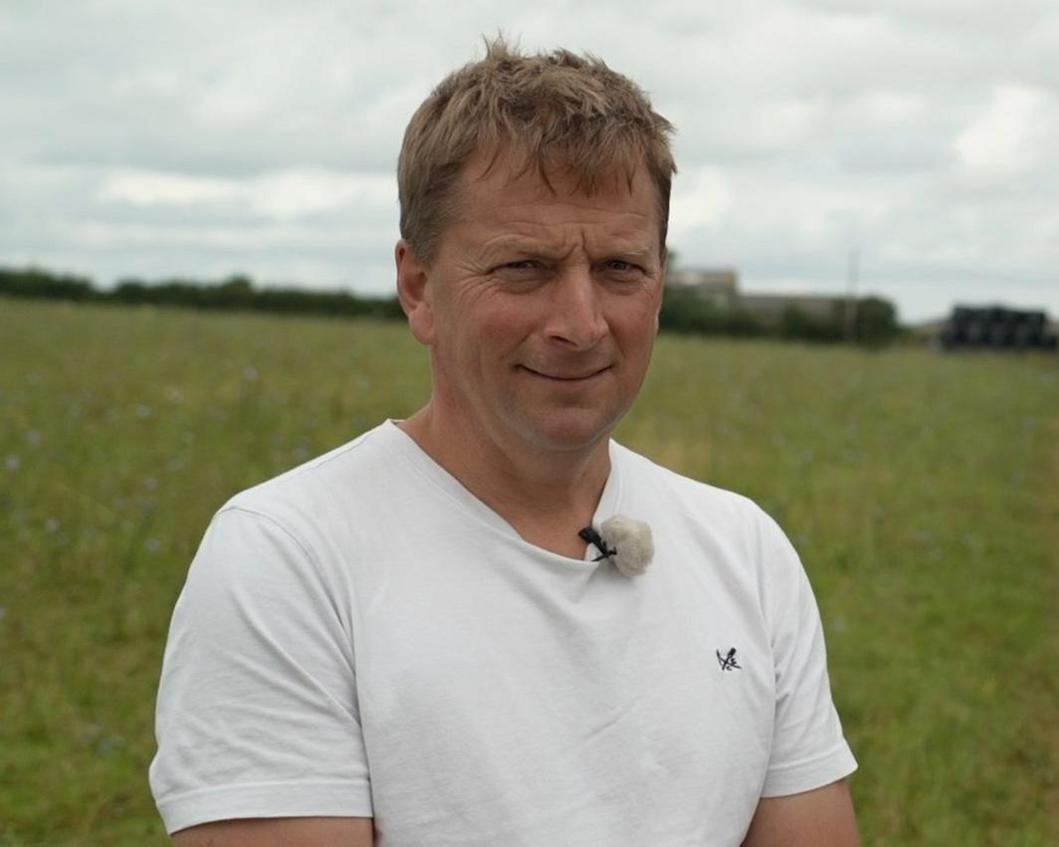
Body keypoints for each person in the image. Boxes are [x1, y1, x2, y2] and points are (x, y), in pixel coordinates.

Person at [148, 37, 860, 847]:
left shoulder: (747, 553)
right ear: (418, 288)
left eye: (621, 268)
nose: (581, 324)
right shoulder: (292, 559)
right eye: (523, 267)